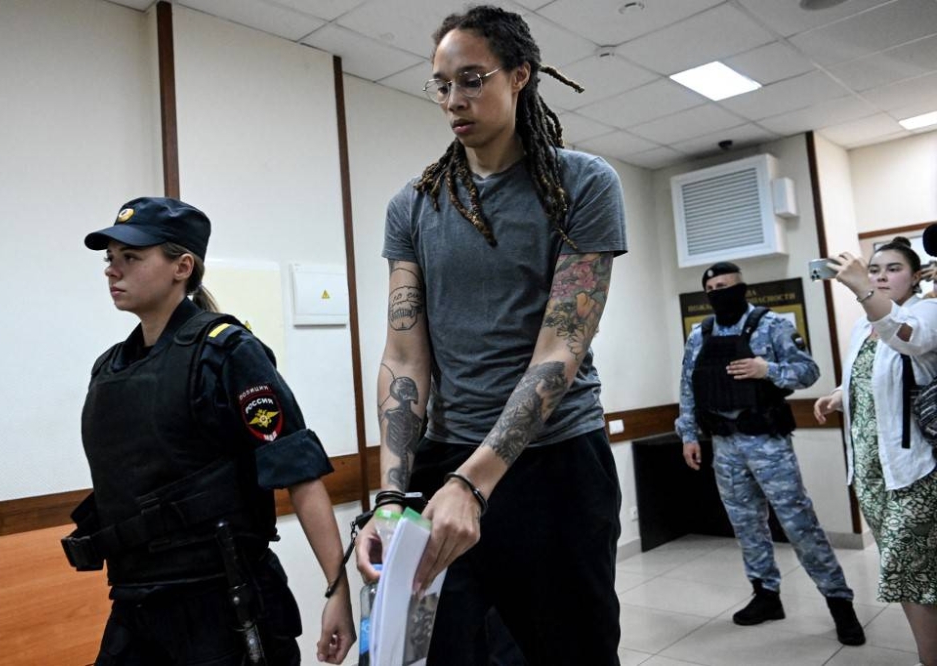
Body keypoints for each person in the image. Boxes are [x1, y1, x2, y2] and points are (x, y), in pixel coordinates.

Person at [354, 5, 626, 665]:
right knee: (447, 652)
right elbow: (404, 353)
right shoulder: (413, 207)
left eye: (472, 79)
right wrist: (391, 498)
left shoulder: (582, 184)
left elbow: (561, 348)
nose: (454, 99)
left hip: (556, 464)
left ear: (520, 75)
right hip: (444, 462)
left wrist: (473, 484)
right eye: (442, 84)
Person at [63, 197, 354, 665]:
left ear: (182, 266)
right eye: (109, 259)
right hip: (136, 601)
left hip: (220, 603)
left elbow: (298, 472)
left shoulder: (227, 352)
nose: (112, 271)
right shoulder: (110, 367)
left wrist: (337, 591)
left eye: (131, 258)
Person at [676, 261, 865, 646]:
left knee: (799, 524)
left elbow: (808, 372)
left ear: (743, 288)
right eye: (712, 288)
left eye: (726, 285)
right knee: (747, 526)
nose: (719, 292)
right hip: (725, 445)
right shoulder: (700, 334)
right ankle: (766, 595)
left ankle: (839, 602)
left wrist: (767, 369)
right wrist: (688, 435)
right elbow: (687, 386)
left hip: (767, 442)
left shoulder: (772, 325)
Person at [814, 236, 937, 665]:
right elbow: (874, 378)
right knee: (912, 574)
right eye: (875, 269)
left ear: (917, 276)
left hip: (914, 470)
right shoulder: (861, 325)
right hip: (869, 469)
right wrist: (839, 395)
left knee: (910, 573)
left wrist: (863, 290)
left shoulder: (926, 312)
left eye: (893, 269)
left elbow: (908, 339)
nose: (881, 277)